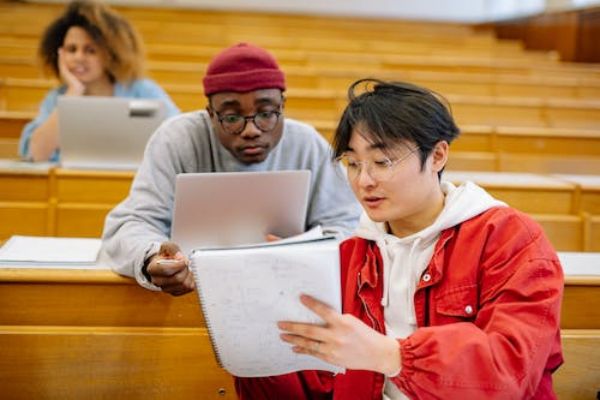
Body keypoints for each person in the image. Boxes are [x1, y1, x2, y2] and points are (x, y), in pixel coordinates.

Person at [276, 79, 564, 399]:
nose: (364, 180)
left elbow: (510, 372)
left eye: (382, 162)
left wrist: (393, 356)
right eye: (353, 164)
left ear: (438, 155)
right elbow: (314, 379)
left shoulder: (510, 239)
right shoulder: (351, 254)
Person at [100, 43, 361, 299]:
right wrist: (152, 256)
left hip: (287, 293)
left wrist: (303, 252)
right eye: (232, 118)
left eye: (266, 113)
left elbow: (347, 224)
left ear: (282, 105)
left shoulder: (306, 143)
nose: (251, 130)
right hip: (191, 295)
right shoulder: (176, 139)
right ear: (210, 114)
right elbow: (131, 225)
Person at [19, 0, 179, 162]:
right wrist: (73, 92)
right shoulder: (57, 98)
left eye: (90, 50)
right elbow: (35, 154)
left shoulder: (142, 90)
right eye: (71, 49)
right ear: (60, 54)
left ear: (110, 54)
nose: (78, 57)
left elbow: (178, 137)